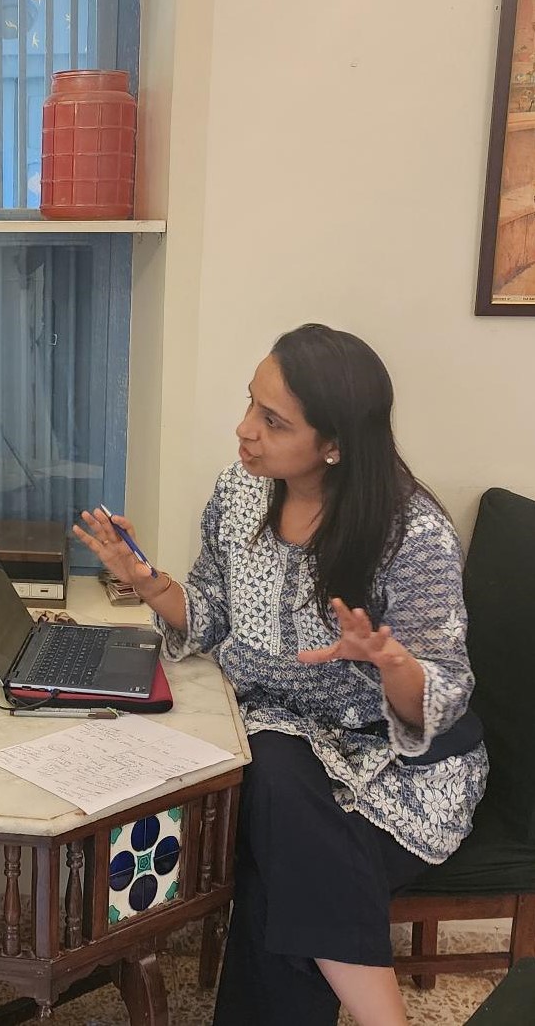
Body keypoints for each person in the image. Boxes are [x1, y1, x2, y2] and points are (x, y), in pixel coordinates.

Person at [73, 324, 487, 1025]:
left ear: (334, 444)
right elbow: (208, 614)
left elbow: (442, 692)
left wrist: (392, 663)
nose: (245, 430)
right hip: (276, 739)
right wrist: (144, 580)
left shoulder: (412, 533)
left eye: (273, 421)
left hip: (395, 770)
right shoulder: (239, 491)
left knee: (276, 857)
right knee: (275, 778)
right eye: (250, 404)